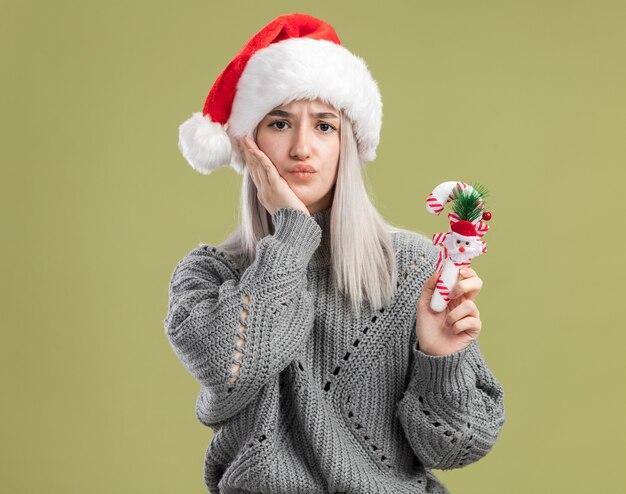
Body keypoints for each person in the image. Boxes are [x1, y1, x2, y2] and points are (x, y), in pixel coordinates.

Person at [164, 13, 505, 494]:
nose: (302, 147)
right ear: (250, 144)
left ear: (347, 142)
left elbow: (458, 447)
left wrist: (440, 358)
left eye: (324, 126)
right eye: (280, 123)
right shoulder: (209, 276)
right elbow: (231, 367)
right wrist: (292, 236)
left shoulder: (412, 267)